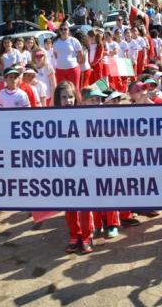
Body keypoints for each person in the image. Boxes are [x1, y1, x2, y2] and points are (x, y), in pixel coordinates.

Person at [54, 82, 94, 254]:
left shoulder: (83, 116)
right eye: (64, 97)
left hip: (83, 166)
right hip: (64, 167)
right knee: (69, 204)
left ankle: (87, 235)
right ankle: (74, 234)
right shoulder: (51, 119)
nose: (68, 100)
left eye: (70, 97)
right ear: (58, 99)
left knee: (85, 203)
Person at [53, 24, 83, 92]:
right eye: (61, 29)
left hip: (73, 69)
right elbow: (55, 55)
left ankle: (78, 102)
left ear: (68, 30)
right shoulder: (55, 42)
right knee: (61, 90)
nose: (63, 31)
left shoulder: (74, 40)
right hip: (59, 70)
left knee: (75, 89)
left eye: (65, 29)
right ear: (59, 31)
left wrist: (74, 62)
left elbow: (80, 53)